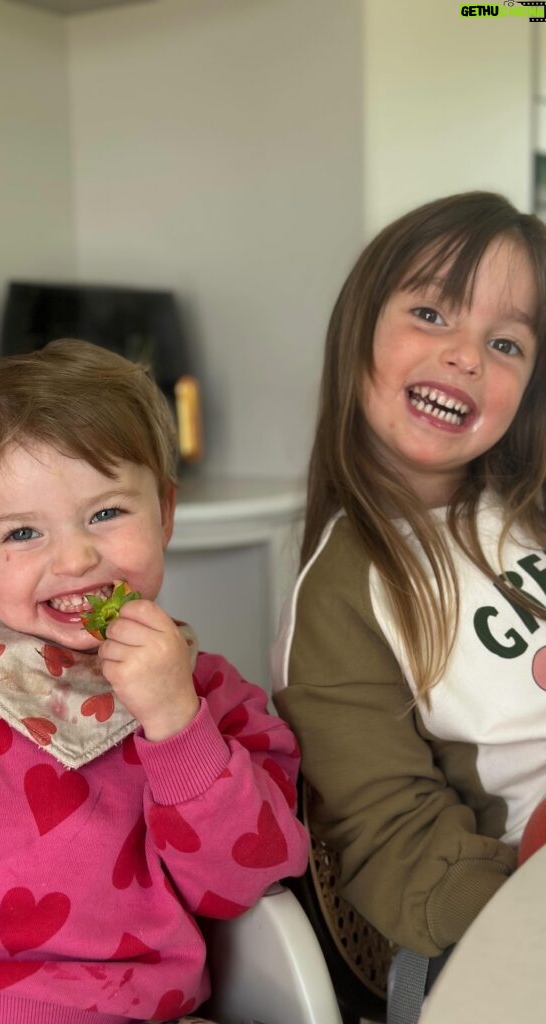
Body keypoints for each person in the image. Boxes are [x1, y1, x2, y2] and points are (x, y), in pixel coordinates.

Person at [0, 339, 309, 1024]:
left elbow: (247, 883)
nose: (74, 558)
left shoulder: (216, 698)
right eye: (21, 533)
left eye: (105, 514)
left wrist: (178, 722)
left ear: (167, 513)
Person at [272, 191, 546, 973]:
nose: (466, 354)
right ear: (360, 328)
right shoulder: (342, 595)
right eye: (431, 314)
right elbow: (394, 841)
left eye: (507, 344)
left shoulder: (528, 510)